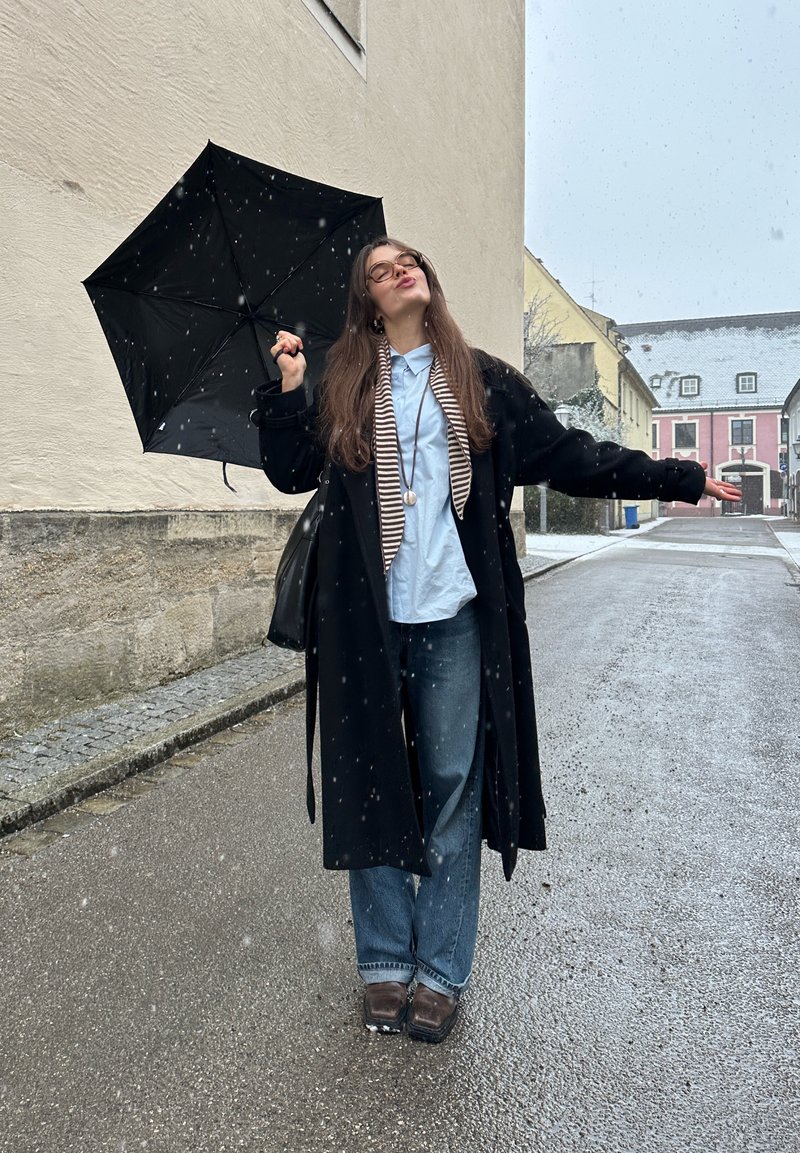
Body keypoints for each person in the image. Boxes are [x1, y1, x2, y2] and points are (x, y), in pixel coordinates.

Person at [251, 238, 741, 1044]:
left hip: (453, 620)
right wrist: (289, 391)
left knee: (452, 789)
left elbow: (573, 459)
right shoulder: (344, 381)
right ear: (368, 301)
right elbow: (290, 469)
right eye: (379, 270)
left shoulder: (481, 381)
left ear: (426, 282)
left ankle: (439, 969)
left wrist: (679, 477)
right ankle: (382, 959)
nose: (399, 269)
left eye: (407, 259)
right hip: (364, 624)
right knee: (372, 782)